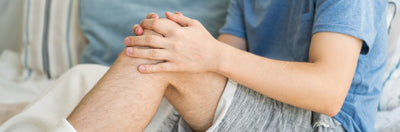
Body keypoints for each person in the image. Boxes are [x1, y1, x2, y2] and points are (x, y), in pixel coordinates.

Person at [0, 0, 387, 132]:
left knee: (160, 60)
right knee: (89, 75)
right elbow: (215, 78)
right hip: (260, 109)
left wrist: (206, 54)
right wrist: (177, 42)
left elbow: (329, 92)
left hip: (322, 123)